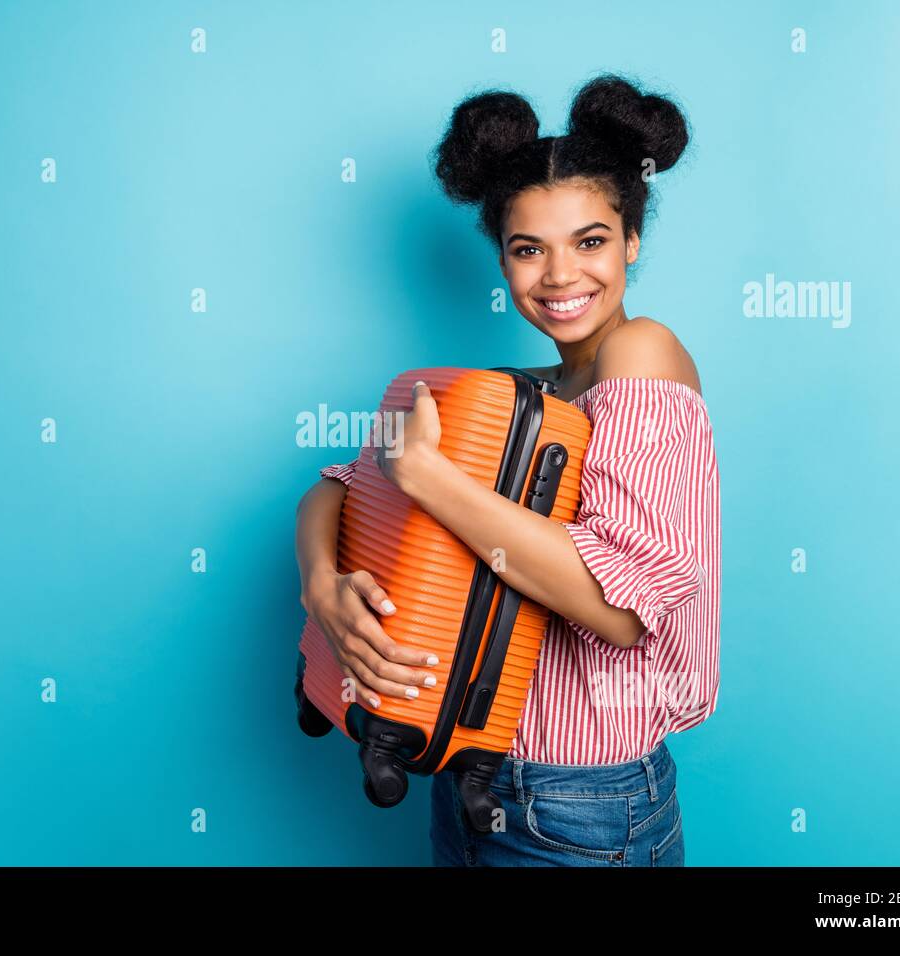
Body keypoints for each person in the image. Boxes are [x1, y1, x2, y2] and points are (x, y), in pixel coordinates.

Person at [294, 72, 720, 866]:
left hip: (583, 803)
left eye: (590, 241)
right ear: (503, 259)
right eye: (530, 249)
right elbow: (336, 489)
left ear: (632, 242)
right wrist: (322, 590)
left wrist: (431, 480)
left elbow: (617, 609)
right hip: (472, 779)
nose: (560, 275)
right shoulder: (527, 399)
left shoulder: (643, 352)